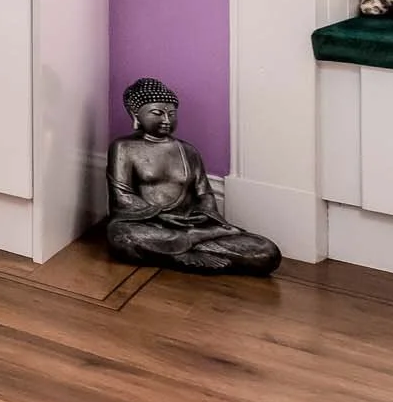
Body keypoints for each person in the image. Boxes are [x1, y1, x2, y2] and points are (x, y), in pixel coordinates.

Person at [105, 77, 280, 275]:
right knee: (123, 237)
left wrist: (201, 215)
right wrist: (161, 215)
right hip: (148, 223)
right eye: (157, 113)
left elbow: (205, 194)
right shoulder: (124, 147)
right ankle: (192, 244)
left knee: (267, 251)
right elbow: (122, 197)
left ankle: (181, 250)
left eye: (172, 114)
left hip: (190, 223)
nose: (166, 120)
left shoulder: (188, 151)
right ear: (136, 115)